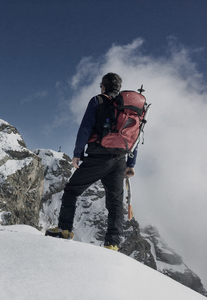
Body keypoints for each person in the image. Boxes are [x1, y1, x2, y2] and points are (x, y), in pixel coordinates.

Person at [46, 72, 137, 251]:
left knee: (72, 190)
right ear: (118, 87)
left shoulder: (98, 100)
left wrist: (77, 153)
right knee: (115, 202)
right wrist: (131, 164)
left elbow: (86, 127)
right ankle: (112, 243)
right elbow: (134, 137)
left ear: (103, 86)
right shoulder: (128, 108)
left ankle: (64, 230)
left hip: (98, 157)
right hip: (120, 159)